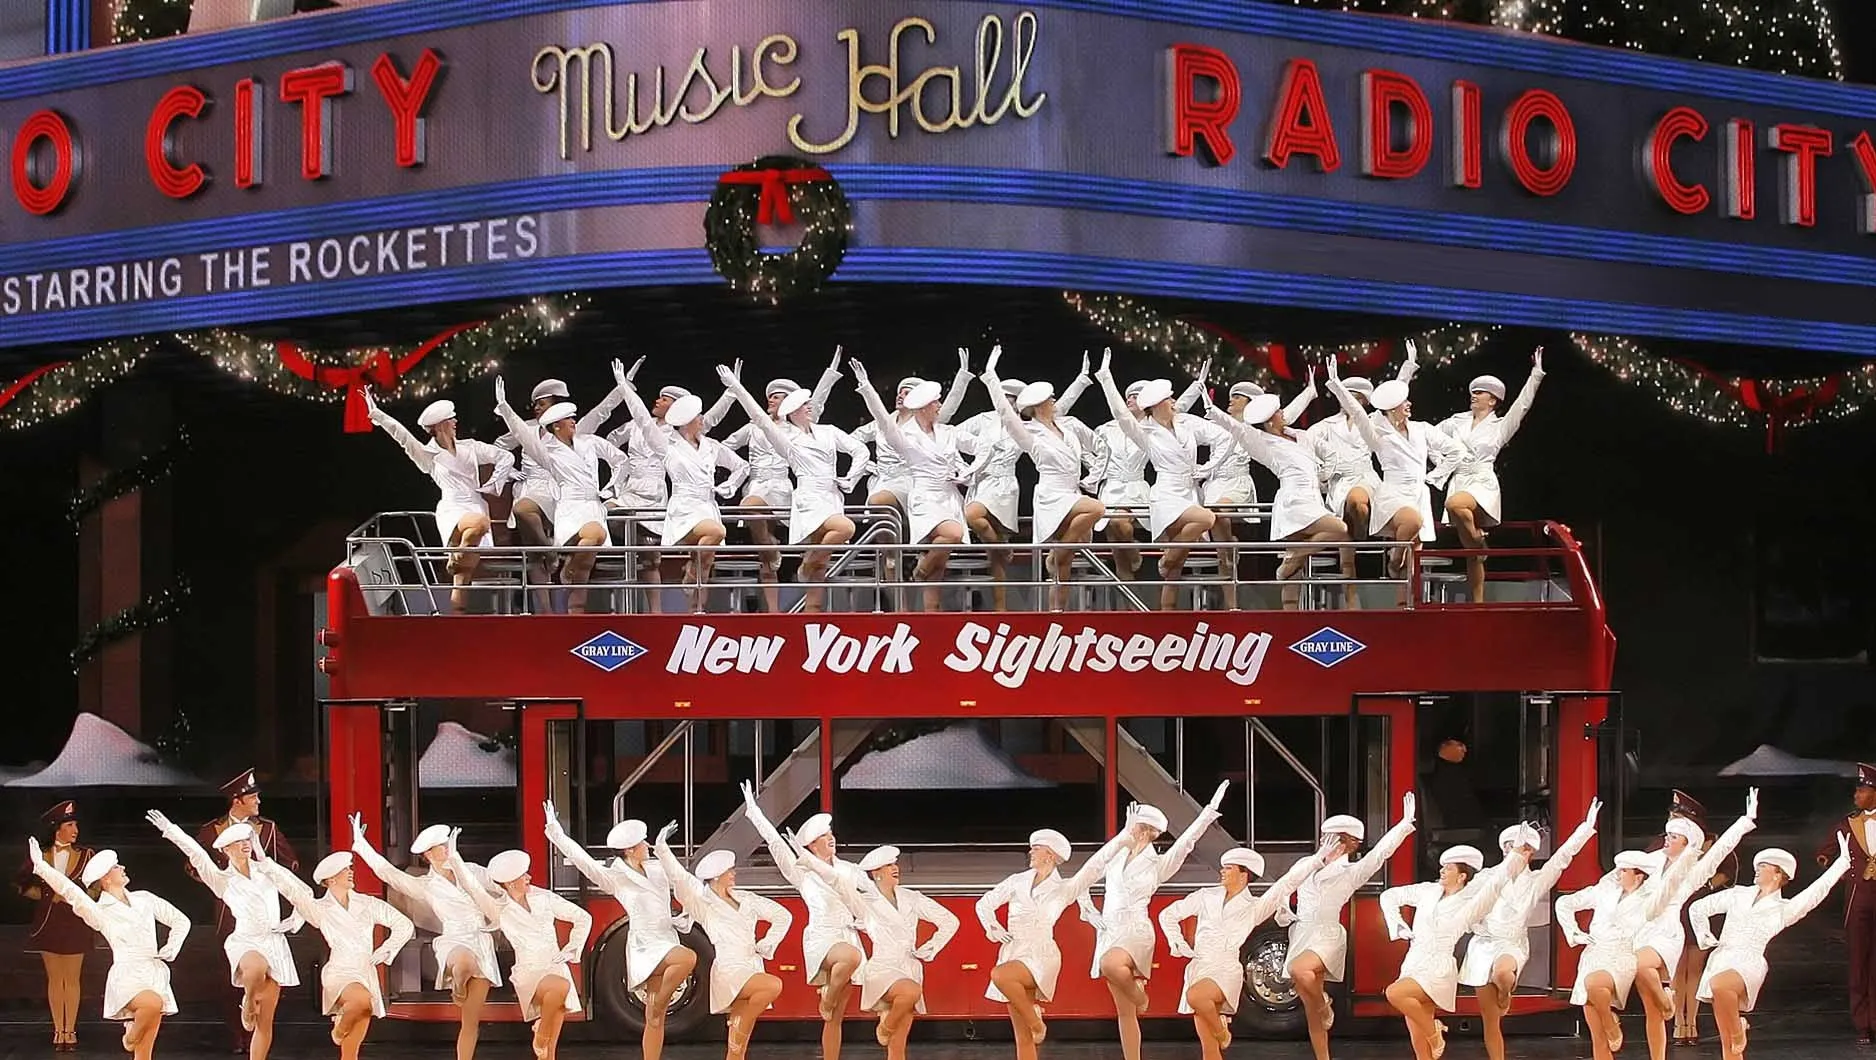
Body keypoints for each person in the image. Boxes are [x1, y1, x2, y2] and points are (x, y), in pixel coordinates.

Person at [1077, 785, 1229, 1060]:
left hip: (1136, 931)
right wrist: (1088, 911)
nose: (1132, 830)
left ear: (1148, 831)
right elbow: (1084, 877)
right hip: (1110, 931)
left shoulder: (1157, 864)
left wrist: (1207, 814)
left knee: (1111, 965)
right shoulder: (1115, 855)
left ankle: (1141, 997)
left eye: (1137, 827)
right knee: (1124, 1012)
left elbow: (1186, 843)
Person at [543, 805, 694, 1060]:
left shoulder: (657, 868)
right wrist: (556, 832)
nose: (647, 845)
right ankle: (659, 1003)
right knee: (687, 958)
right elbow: (583, 861)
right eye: (643, 842)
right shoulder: (615, 877)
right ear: (629, 850)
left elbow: (683, 882)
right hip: (644, 945)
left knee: (654, 1020)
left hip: (666, 937)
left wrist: (684, 914)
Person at [148, 810, 301, 1060]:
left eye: (247, 841)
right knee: (255, 968)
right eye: (238, 843)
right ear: (226, 849)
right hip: (245, 941)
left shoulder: (266, 869)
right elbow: (196, 854)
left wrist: (296, 919)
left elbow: (299, 891)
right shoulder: (222, 880)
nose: (245, 846)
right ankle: (249, 1000)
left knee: (265, 1022)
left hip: (274, 941)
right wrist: (170, 829)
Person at [717, 366, 871, 613]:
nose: (808, 407)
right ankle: (786, 566)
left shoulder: (825, 431)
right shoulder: (786, 440)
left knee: (821, 560)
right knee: (836, 533)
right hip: (802, 497)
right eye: (801, 405)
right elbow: (757, 418)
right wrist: (734, 387)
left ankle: (812, 610)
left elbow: (856, 447)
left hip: (821, 495)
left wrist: (851, 479)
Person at [1161, 843, 1336, 1059]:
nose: (1222, 871)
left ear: (1244, 874)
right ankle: (1218, 1032)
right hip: (1198, 967)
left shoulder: (1254, 907)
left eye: (1229, 868)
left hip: (1225, 970)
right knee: (1208, 1047)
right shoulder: (1205, 896)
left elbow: (1286, 883)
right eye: (1223, 867)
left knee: (1196, 997)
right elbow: (1167, 914)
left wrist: (1317, 859)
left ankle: (1222, 1032)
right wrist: (1175, 940)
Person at [1279, 793, 1417, 1060]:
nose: (1324, 843)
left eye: (1330, 839)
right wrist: (1283, 906)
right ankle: (1323, 1054)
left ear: (1344, 844)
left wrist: (1403, 826)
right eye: (1323, 838)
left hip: (1326, 934)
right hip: (1301, 932)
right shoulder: (1307, 864)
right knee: (1308, 1003)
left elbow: (1380, 854)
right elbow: (1286, 885)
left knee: (1301, 971)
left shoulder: (1350, 872)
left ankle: (1325, 1007)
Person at [1092, 351, 1234, 609]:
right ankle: (1167, 567)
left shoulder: (1187, 422)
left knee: (1174, 570)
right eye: (1170, 398)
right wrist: (1105, 379)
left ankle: (1166, 597)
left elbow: (1224, 437)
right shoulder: (1145, 432)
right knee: (1206, 519)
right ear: (1157, 405)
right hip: (1166, 494)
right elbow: (1122, 416)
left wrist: (1208, 468)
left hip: (1188, 492)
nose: (1174, 401)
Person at [1460, 800, 1601, 1060]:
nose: (1516, 854)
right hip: (1482, 944)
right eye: (1511, 848)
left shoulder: (1535, 882)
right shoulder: (1486, 877)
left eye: (1523, 849)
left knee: (1504, 973)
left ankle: (1505, 992)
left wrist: (1585, 828)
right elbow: (1466, 903)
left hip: (1511, 944)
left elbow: (1561, 859)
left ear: (1531, 854)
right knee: (1491, 1022)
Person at [350, 815, 500, 1060]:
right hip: (454, 939)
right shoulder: (426, 885)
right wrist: (361, 844)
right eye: (442, 846)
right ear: (429, 854)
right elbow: (388, 873)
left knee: (470, 1022)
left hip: (481, 940)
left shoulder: (471, 870)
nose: (448, 849)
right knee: (463, 962)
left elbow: (501, 885)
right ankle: (459, 981)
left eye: (448, 844)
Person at [24, 840, 187, 1060]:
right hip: (127, 976)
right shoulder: (100, 911)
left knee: (146, 1048)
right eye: (117, 867)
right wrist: (42, 867)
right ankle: (129, 1039)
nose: (123, 868)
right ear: (106, 879)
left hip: (154, 972)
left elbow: (181, 920)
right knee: (153, 1004)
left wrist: (172, 946)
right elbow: (70, 891)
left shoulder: (144, 899)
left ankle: (135, 1041)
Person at [1324, 358, 1470, 603]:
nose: (1410, 403)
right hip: (1392, 494)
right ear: (1392, 408)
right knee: (1412, 523)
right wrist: (1337, 385)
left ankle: (1404, 606)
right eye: (1404, 401)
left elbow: (1456, 451)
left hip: (1418, 494)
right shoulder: (1377, 433)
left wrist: (1435, 476)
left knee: (1412, 558)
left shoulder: (1422, 428)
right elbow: (1359, 413)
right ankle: (1392, 559)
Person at [976, 825, 1130, 1057]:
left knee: (1000, 975)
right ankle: (1032, 1019)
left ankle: (1038, 1023)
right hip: (1012, 951)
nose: (1030, 853)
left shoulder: (1065, 888)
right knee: (1023, 1038)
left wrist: (1125, 836)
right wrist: (993, 927)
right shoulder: (1017, 881)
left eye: (1035, 849)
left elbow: (1095, 865)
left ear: (1050, 855)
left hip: (1041, 955)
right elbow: (984, 903)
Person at [1693, 837, 1853, 1060]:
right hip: (1721, 959)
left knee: (1720, 986)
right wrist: (1704, 936)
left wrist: (1842, 863)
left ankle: (1739, 1030)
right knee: (1728, 1043)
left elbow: (1817, 891)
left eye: (1763, 867)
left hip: (1748, 963)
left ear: (1778, 874)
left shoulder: (1784, 909)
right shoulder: (1738, 894)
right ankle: (1736, 1034)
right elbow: (1697, 908)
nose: (1756, 870)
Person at [798, 843, 959, 1060]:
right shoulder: (866, 901)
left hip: (910, 967)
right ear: (876, 873)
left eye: (894, 863)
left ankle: (889, 1029)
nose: (895, 868)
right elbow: (837, 881)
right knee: (910, 992)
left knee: (898, 1047)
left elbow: (950, 920)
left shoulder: (912, 897)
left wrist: (932, 946)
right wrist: (811, 862)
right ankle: (884, 1029)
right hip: (883, 969)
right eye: (887, 865)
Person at [851, 359, 989, 612]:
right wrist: (867, 387)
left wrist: (969, 471)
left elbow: (983, 446)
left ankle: (929, 617)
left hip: (949, 498)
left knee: (939, 566)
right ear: (924, 406)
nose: (939, 406)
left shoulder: (948, 431)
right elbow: (882, 420)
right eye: (936, 402)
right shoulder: (905, 436)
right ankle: (920, 570)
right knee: (952, 535)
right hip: (924, 498)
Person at [1628, 792, 1758, 1060]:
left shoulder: (1695, 865)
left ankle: (1679, 1014)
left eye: (1675, 835)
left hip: (1673, 926)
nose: (1668, 837)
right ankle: (1668, 1020)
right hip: (1647, 928)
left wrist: (1745, 821)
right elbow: (1626, 867)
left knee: (1679, 969)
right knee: (1648, 984)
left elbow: (1723, 854)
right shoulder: (1654, 857)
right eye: (1669, 832)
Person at [251, 847, 414, 1060]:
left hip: (365, 971)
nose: (350, 871)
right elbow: (293, 890)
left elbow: (404, 924)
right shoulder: (320, 909)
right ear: (330, 880)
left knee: (352, 1049)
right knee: (361, 1001)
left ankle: (343, 1030)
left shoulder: (368, 904)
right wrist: (267, 863)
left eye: (349, 867)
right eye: (344, 869)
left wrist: (386, 949)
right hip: (340, 971)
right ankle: (337, 1031)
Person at [740, 786, 867, 1058]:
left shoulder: (849, 871)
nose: (830, 838)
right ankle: (828, 997)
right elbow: (775, 843)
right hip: (822, 938)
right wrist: (755, 813)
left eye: (830, 833)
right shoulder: (802, 871)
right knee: (851, 958)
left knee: (834, 1018)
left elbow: (866, 902)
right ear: (811, 845)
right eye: (823, 836)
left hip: (847, 934)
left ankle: (830, 1033)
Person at [1198, 385, 1351, 609]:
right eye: (1279, 413)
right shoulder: (1262, 441)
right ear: (1270, 421)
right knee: (1339, 529)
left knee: (1294, 571)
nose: (1284, 414)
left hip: (1313, 499)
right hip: (1293, 501)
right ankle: (1292, 563)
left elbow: (1330, 453)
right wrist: (1213, 410)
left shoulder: (1299, 435)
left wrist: (1324, 475)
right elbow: (1237, 428)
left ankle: (1291, 598)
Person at [362, 393, 514, 613]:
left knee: (463, 575)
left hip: (474, 504)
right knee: (481, 524)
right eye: (451, 420)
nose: (455, 423)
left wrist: (493, 484)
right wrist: (377, 414)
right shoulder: (427, 454)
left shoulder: (470, 447)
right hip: (453, 510)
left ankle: (456, 614)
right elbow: (402, 436)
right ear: (441, 425)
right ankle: (458, 556)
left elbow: (506, 457)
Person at [617, 360, 751, 610]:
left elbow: (742, 466)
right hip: (684, 509)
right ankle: (690, 573)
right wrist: (624, 388)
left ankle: (695, 611)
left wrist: (731, 486)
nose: (703, 419)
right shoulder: (667, 445)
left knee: (706, 562)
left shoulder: (711, 445)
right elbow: (643, 420)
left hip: (708, 507)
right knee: (717, 533)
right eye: (699, 417)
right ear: (688, 421)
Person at [650, 825, 791, 1058]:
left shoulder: (746, 898)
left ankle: (735, 1038)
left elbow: (783, 916)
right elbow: (680, 878)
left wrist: (769, 941)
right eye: (730, 871)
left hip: (751, 965)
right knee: (772, 985)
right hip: (728, 969)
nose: (734, 874)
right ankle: (737, 1029)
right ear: (716, 876)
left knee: (738, 1047)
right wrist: (663, 850)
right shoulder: (704, 903)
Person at [980, 348, 1105, 610]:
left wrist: (1082, 378)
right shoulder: (1029, 433)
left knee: (1063, 569)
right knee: (1097, 508)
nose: (1055, 401)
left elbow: (1090, 447)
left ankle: (1056, 615)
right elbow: (1005, 413)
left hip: (1071, 492)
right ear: (1039, 406)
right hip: (1052, 496)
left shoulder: (1065, 427)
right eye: (1050, 399)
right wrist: (991, 376)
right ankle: (1057, 553)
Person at [493, 377, 629, 613]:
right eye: (569, 419)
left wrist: (623, 388)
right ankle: (550, 599)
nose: (574, 422)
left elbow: (603, 415)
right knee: (530, 529)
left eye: (542, 403)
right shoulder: (544, 447)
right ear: (557, 425)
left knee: (591, 545)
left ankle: (574, 599)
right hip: (556, 497)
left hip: (584, 502)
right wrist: (504, 408)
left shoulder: (587, 439)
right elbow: (514, 438)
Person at [1381, 844, 1526, 1060]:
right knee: (1420, 1044)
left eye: (1448, 868)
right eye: (1442, 867)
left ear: (1462, 876)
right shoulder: (1428, 891)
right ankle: (1430, 1033)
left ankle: (1434, 1030)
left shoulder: (1470, 904)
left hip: (1438, 968)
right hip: (1412, 962)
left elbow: (1496, 881)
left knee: (1395, 993)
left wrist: (1516, 855)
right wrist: (1398, 925)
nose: (1441, 871)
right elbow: (1389, 896)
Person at [447, 845, 590, 1060]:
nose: (530, 877)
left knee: (550, 1048)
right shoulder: (499, 908)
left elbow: (583, 917)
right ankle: (540, 1033)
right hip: (529, 972)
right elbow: (473, 887)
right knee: (560, 988)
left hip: (555, 964)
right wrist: (454, 857)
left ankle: (543, 1038)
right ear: (510, 882)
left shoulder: (544, 897)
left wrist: (572, 948)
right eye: (524, 875)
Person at [1303, 346, 1418, 589]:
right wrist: (1321, 476)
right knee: (1345, 531)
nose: (1350, 400)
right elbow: (1304, 450)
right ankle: (1351, 592)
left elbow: (1394, 395)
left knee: (1357, 502)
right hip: (1338, 483)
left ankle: (1363, 535)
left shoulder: (1374, 421)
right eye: (1346, 395)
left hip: (1364, 478)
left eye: (1356, 397)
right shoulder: (1323, 426)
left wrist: (1408, 366)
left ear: (1365, 401)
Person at [1437, 350, 1545, 602]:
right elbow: (1428, 438)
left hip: (1481, 484)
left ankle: (1477, 540)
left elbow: (1523, 404)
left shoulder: (1500, 426)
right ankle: (1478, 603)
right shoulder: (1455, 423)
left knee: (1454, 504)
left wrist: (1536, 374)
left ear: (1493, 401)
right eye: (1473, 392)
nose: (1473, 396)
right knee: (1472, 554)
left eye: (1480, 393)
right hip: (1459, 480)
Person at [1558, 849, 1681, 1060]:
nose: (1617, 874)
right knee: (1596, 1032)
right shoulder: (1605, 891)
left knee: (1595, 984)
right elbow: (1564, 903)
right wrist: (1574, 933)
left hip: (1621, 955)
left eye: (1623, 870)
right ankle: (1608, 1025)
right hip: (1593, 954)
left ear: (1638, 875)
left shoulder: (1650, 898)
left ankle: (1612, 1024)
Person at [1206, 371, 1316, 583]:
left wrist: (1309, 392)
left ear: (1250, 404)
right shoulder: (1215, 424)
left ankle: (1229, 546)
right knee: (1222, 555)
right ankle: (1230, 606)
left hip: (1237, 483)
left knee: (1219, 511)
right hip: (1214, 483)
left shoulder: (1256, 428)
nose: (1231, 399)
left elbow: (1287, 415)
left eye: (1237, 397)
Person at [18, 800, 96, 1051]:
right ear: (57, 828)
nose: (75, 830)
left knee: (72, 979)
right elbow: (20, 884)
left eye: (76, 825)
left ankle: (70, 1030)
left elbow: (96, 888)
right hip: (48, 923)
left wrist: (78, 899)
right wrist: (48, 896)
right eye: (70, 824)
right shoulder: (40, 855)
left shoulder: (86, 855)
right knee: (54, 979)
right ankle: (57, 1029)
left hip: (75, 923)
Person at [1816, 762, 1876, 1045]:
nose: (1856, 793)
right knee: (1859, 961)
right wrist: (1828, 862)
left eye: (1862, 789)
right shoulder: (1848, 823)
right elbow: (1825, 851)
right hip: (1859, 897)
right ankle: (1863, 1023)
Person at [1082, 380, 1151, 580]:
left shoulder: (1152, 428)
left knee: (1119, 523)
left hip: (1136, 487)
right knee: (1119, 555)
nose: (1130, 399)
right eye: (1128, 396)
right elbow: (1086, 450)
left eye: (1136, 396)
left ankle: (1132, 550)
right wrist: (1098, 470)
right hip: (1111, 487)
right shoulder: (1106, 428)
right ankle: (1129, 608)